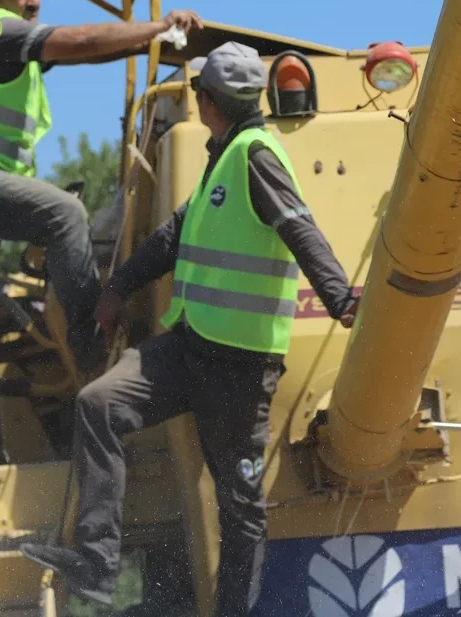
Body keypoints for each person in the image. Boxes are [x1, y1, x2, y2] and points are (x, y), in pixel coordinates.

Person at [20, 42, 361, 614]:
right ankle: (97, 563)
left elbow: (301, 227)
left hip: (240, 369)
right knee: (99, 404)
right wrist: (118, 289)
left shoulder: (256, 156)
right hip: (189, 347)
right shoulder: (221, 158)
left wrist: (339, 297)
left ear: (206, 101)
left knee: (239, 509)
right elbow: (172, 237)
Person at [0, 0, 204, 471]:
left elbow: (87, 53)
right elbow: (81, 41)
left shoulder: (10, 47)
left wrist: (147, 40)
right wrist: (160, 25)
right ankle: (90, 347)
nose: (34, 1)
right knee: (64, 214)